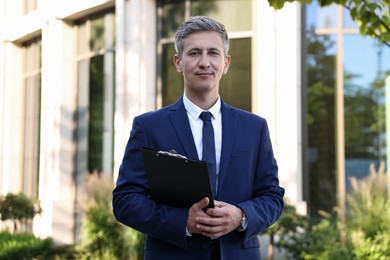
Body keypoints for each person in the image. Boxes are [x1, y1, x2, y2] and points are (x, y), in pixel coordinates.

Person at [112, 16, 285, 260]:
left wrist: (241, 215)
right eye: (194, 53)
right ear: (178, 62)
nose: (205, 62)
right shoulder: (149, 127)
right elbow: (125, 201)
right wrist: (183, 221)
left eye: (213, 53)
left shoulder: (254, 127)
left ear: (225, 63)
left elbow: (272, 196)